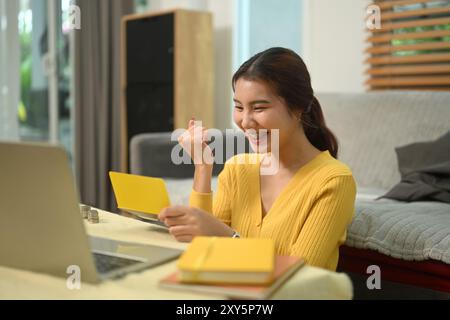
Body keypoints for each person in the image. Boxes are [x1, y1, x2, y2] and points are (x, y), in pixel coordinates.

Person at [158, 47, 356, 271]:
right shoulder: (237, 169)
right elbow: (202, 253)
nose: (245, 121)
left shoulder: (334, 181)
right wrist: (203, 167)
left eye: (259, 108)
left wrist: (230, 238)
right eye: (239, 107)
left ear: (299, 107)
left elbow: (300, 277)